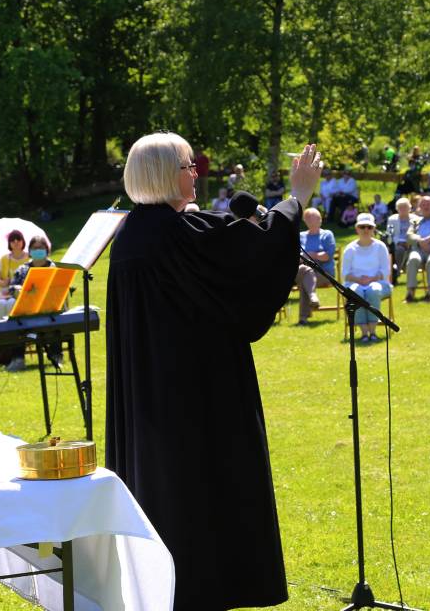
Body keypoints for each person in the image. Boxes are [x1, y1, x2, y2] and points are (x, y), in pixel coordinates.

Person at [105, 133, 321, 609]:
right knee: (201, 509)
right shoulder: (174, 235)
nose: (197, 173)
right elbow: (250, 256)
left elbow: (229, 237)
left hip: (153, 403)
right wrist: (298, 196)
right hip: (197, 400)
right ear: (165, 173)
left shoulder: (136, 236)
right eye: (189, 165)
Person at [4, 235, 60, 370]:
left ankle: (56, 356)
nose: (38, 251)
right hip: (26, 311)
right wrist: (17, 290)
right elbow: (11, 288)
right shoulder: (23, 269)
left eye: (41, 248)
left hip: (49, 309)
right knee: (14, 320)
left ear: (47, 250)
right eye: (35, 248)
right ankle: (18, 359)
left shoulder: (54, 268)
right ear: (29, 251)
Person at [342, 213, 392, 342]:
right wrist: (359, 280)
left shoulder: (380, 247)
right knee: (355, 293)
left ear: (373, 229)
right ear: (357, 228)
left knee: (372, 291)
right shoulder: (350, 249)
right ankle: (364, 333)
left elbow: (386, 271)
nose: (365, 230)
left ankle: (373, 331)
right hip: (354, 284)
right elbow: (345, 274)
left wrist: (371, 279)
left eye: (369, 227)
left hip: (379, 283)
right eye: (362, 227)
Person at [294, 207, 336, 325]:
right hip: (301, 270)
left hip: (324, 273)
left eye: (316, 218)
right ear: (305, 221)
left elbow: (328, 256)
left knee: (305, 280)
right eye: (310, 219)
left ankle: (303, 318)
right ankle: (312, 296)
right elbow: (295, 256)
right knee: (305, 270)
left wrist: (312, 255)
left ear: (320, 220)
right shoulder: (300, 236)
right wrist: (311, 256)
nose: (314, 221)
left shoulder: (327, 235)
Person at [0, 230, 30, 322]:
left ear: (23, 241)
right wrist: (4, 283)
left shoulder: (29, 258)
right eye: (12, 240)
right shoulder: (4, 259)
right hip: (5, 293)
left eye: (18, 239)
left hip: (23, 293)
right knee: (0, 304)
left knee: (11, 303)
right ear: (9, 244)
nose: (16, 242)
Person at [385, 197, 417, 283]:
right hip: (398, 242)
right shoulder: (392, 219)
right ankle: (398, 271)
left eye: (405, 207)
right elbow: (390, 234)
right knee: (400, 250)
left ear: (409, 208)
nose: (403, 209)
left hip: (411, 242)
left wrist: (409, 241)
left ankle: (402, 270)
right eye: (400, 208)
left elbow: (417, 233)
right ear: (397, 209)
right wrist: (397, 242)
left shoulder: (415, 219)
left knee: (412, 251)